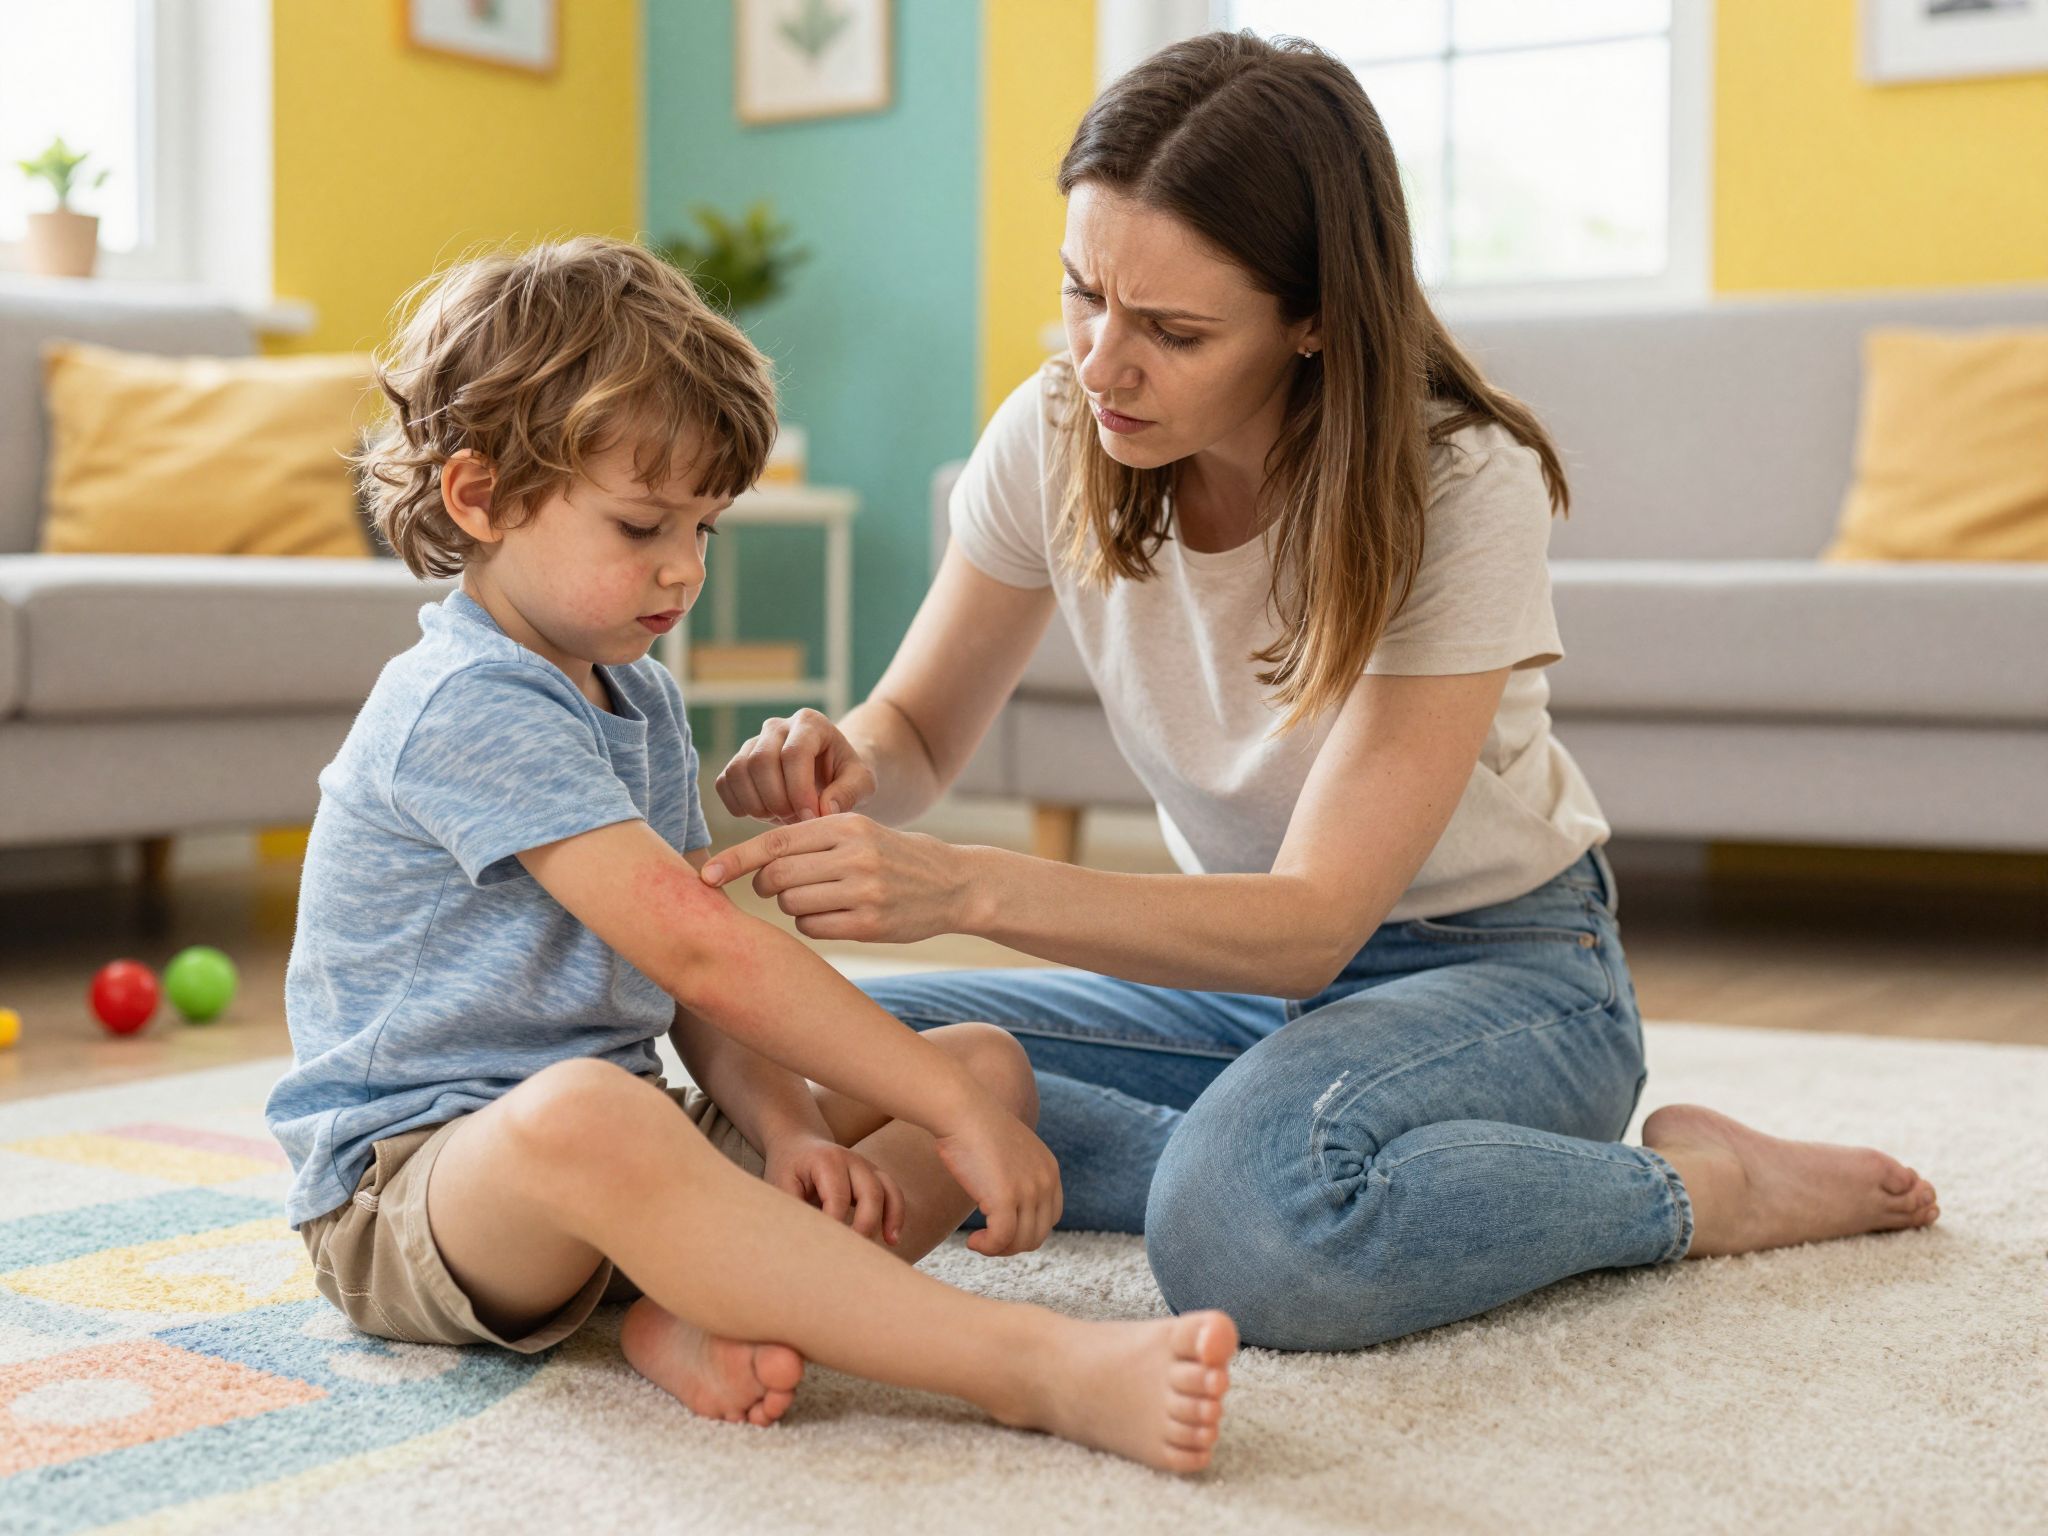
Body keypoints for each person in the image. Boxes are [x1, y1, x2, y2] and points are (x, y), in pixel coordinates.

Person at [701, 33, 1942, 1352]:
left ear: (1315, 319)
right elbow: (920, 730)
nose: (1103, 363)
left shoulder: (1456, 483)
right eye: (1083, 294)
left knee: (1245, 1236)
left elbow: (1310, 925)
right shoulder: (1060, 430)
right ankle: (1278, 1145)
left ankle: (1695, 1188)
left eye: (1174, 331)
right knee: (808, 1039)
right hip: (1240, 998)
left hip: (1504, 976)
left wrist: (964, 889)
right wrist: (842, 759)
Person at [264, 237, 1237, 1473]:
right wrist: (917, 1107)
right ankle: (1028, 1367)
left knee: (983, 1066)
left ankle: (697, 1301)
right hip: (424, 1193)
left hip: (632, 1146)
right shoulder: (465, 700)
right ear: (478, 497)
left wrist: (786, 1130)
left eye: (705, 527)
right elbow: (703, 949)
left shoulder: (640, 698)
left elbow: (688, 996)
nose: (683, 568)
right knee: (596, 1113)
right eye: (640, 524)